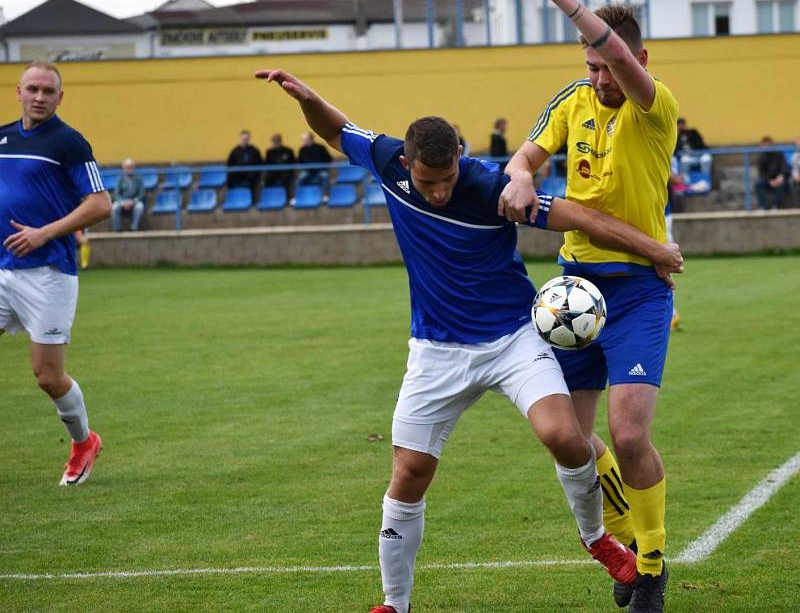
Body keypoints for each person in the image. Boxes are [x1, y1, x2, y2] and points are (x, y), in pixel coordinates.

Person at [256, 67, 683, 613]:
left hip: (513, 340)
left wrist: (652, 248)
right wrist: (307, 98)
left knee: (565, 436)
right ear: (407, 164)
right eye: (429, 181)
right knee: (409, 473)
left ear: (460, 155)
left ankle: (597, 539)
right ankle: (395, 603)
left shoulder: (490, 188)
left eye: (448, 177)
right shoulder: (388, 162)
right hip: (435, 350)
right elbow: (336, 130)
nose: (439, 191)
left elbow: (582, 217)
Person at [499, 0, 679, 613]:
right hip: (577, 291)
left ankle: (653, 566)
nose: (598, 75)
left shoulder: (653, 105)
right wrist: (521, 172)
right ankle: (629, 546)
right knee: (573, 440)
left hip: (638, 290)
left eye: (606, 65)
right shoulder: (572, 101)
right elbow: (527, 156)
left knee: (629, 435)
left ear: (636, 59)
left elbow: (621, 63)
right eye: (590, 66)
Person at [0, 60, 110, 485]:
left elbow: (100, 204)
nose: (40, 97)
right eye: (33, 89)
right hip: (2, 269)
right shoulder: (3, 138)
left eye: (48, 91)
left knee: (47, 376)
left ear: (60, 98)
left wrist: (44, 233)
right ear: (19, 92)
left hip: (47, 273)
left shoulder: (69, 143)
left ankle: (84, 441)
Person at [111, 157, 145, 231]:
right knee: (114, 207)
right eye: (127, 168)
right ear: (123, 168)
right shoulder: (120, 179)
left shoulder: (139, 179)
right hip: (122, 202)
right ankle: (117, 230)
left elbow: (141, 194)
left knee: (140, 207)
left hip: (134, 202)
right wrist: (122, 202)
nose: (129, 170)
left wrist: (133, 202)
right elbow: (116, 194)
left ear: (134, 168)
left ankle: (134, 228)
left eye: (131, 167)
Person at [755, 136, 786, 210]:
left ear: (772, 145)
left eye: (768, 145)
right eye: (764, 145)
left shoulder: (779, 154)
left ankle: (776, 206)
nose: (767, 147)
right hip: (767, 180)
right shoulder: (761, 158)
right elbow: (761, 172)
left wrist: (780, 177)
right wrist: (769, 180)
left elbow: (784, 166)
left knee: (781, 185)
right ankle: (763, 206)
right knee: (758, 185)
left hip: (779, 178)